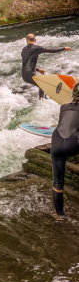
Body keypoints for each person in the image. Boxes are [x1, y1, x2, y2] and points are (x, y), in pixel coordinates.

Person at [51, 83, 79, 217]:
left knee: (57, 183)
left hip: (56, 144)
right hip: (74, 144)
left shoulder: (64, 107)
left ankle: (60, 215)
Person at [21, 33, 71, 98]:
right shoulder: (37, 48)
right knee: (43, 85)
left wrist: (38, 70)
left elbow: (25, 63)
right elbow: (51, 50)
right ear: (35, 40)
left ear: (27, 41)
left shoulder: (23, 49)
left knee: (42, 85)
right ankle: (42, 100)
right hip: (31, 76)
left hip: (24, 76)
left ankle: (42, 99)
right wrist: (64, 48)